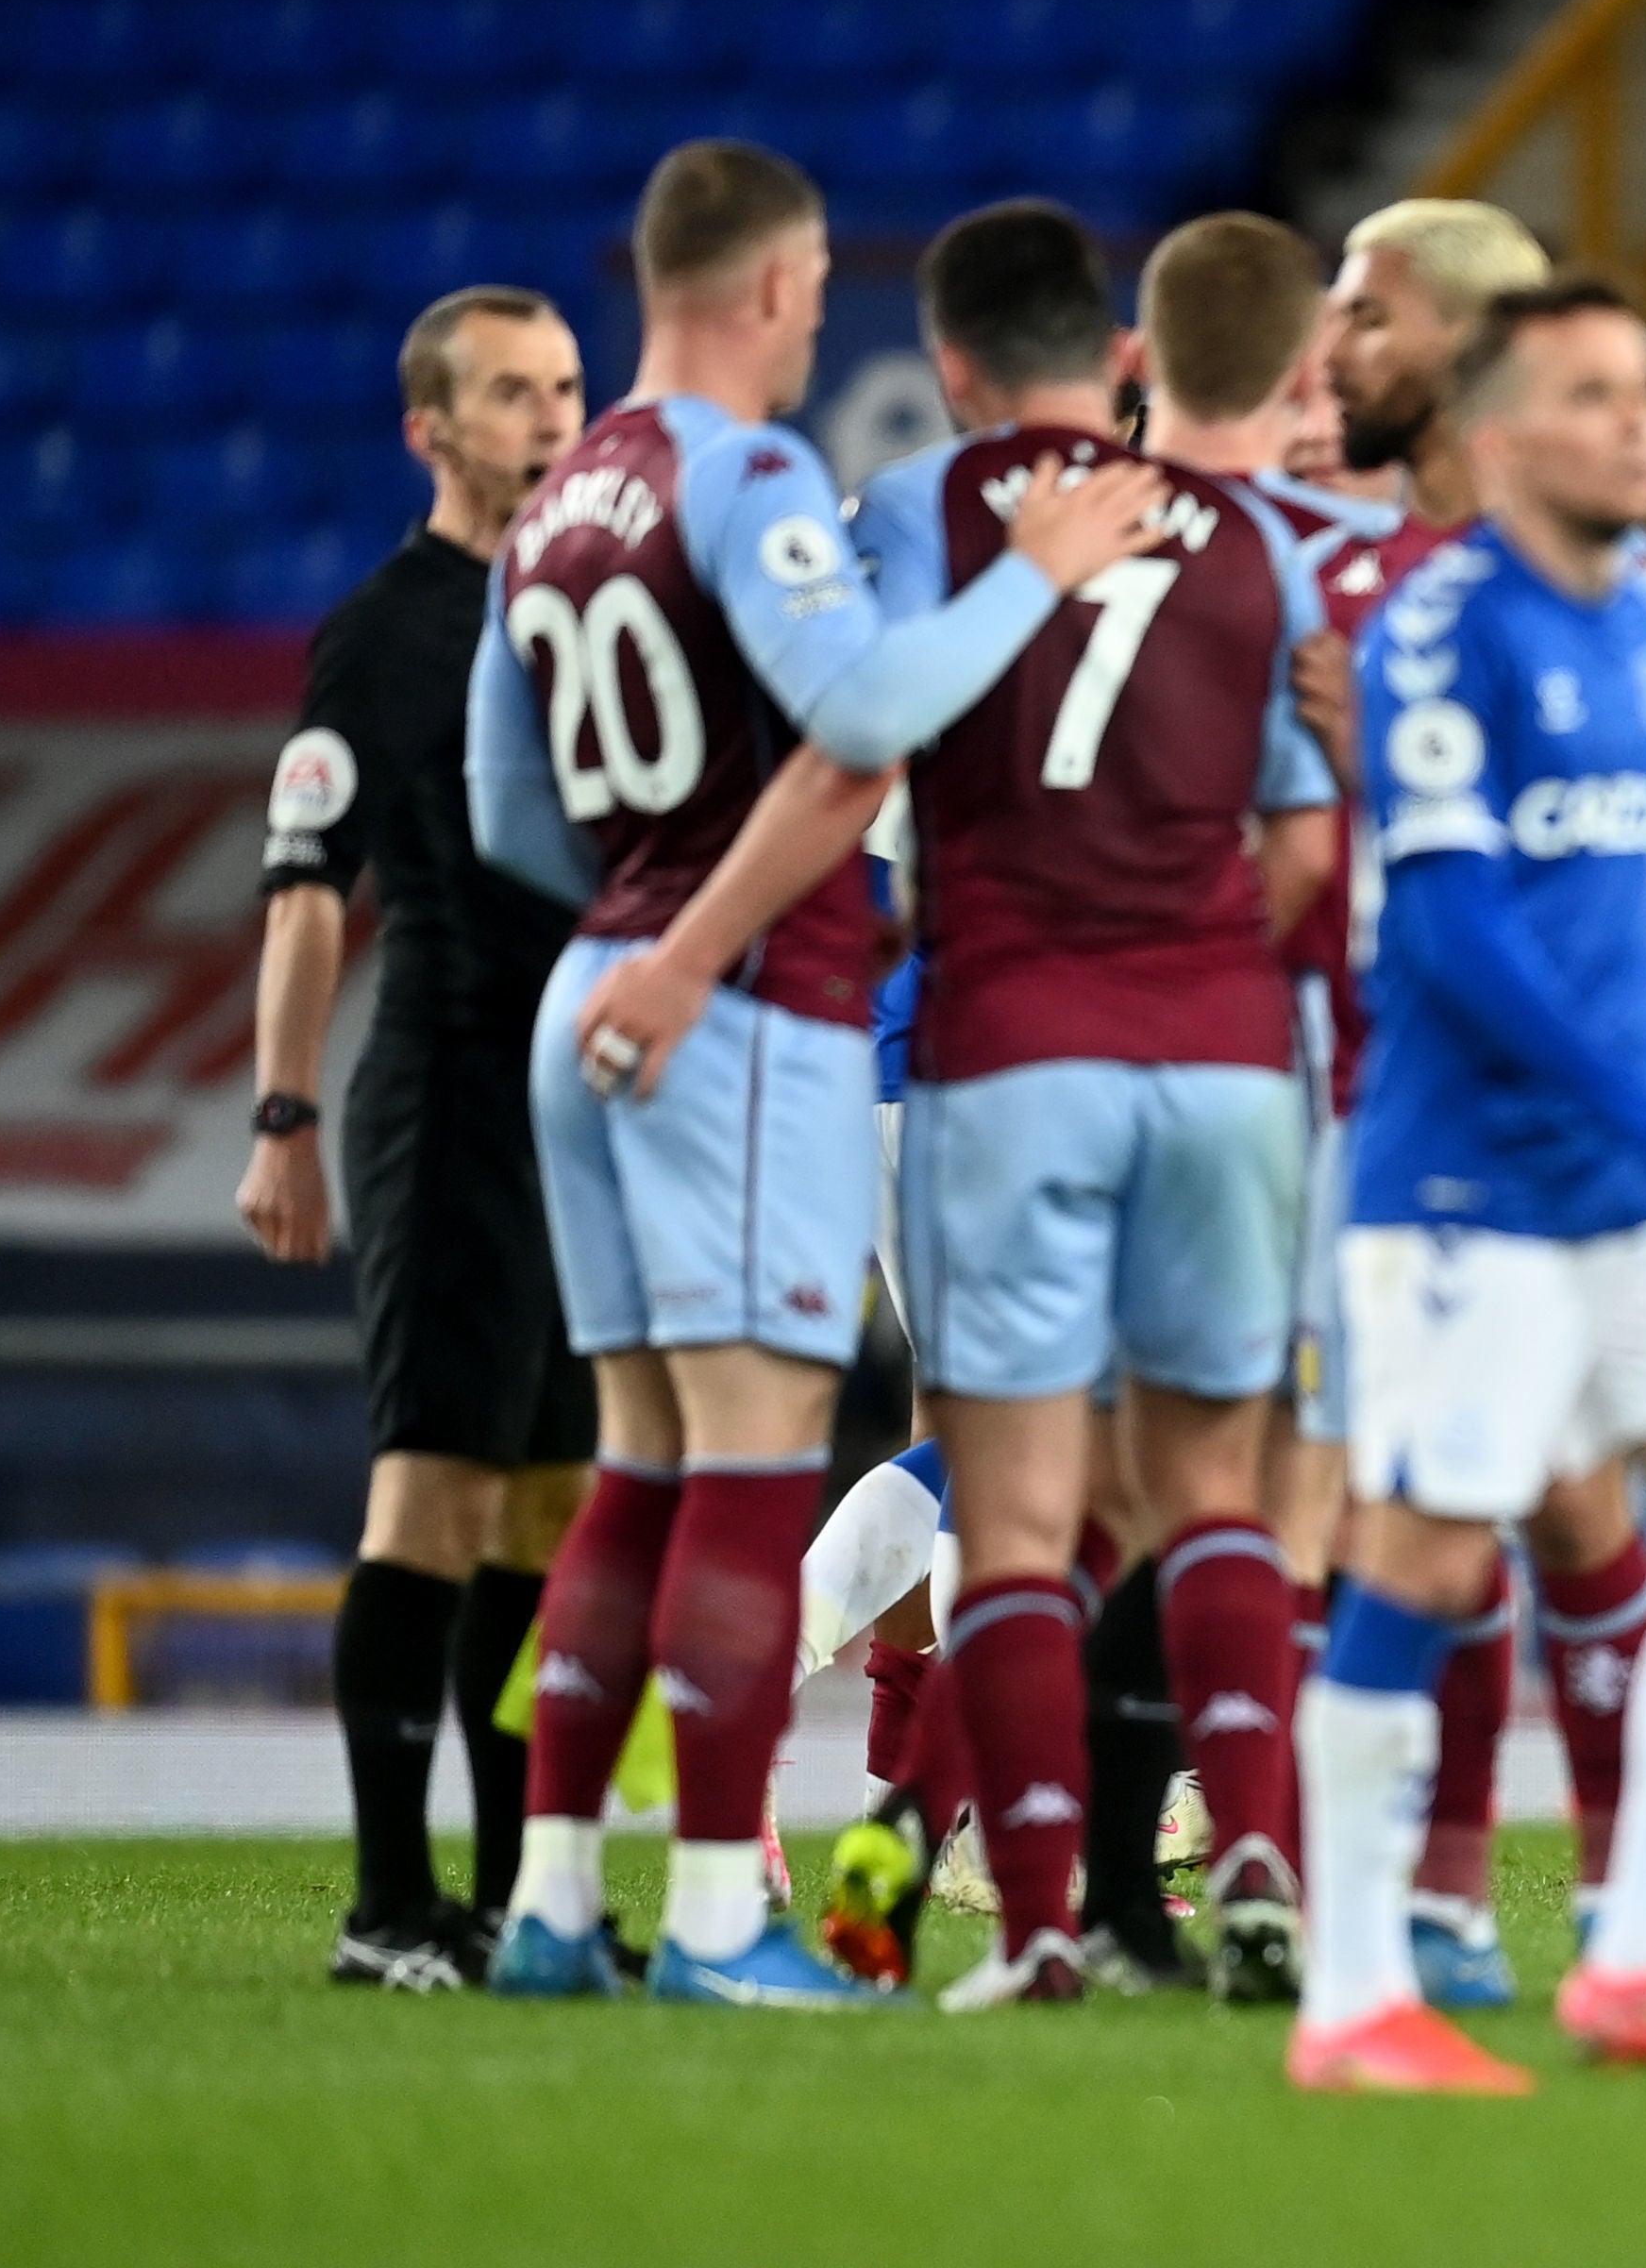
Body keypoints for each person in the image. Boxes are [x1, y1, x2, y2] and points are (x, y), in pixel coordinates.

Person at [462, 139, 1163, 2009]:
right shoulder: (743, 470)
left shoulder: (560, 498)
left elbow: (503, 807)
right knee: (754, 1469)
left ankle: (548, 1902)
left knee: (632, 1464)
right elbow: (859, 719)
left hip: (594, 978)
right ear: (774, 287)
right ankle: (709, 1914)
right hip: (743, 1010)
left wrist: (640, 910)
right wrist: (1027, 578)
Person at [1292, 280, 1646, 2097]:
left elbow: (1601, 919)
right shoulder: (1437, 632)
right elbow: (1450, 938)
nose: (1643, 424)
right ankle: (1353, 1997)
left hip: (1622, 1177)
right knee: (1430, 1563)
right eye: (1596, 396)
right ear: (1504, 434)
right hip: (1466, 1186)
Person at [843, 197, 1340, 2010]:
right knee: (1219, 1489)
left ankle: (1037, 1926)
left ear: (952, 369)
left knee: (1021, 1507)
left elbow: (848, 746)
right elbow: (1302, 843)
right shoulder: (1249, 540)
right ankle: (1263, 1862)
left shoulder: (908, 513)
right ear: (1119, 358)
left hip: (1005, 1056)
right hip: (1220, 1065)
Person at [1305, 199, 1646, 2010]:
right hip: (1360, 1102)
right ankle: (1433, 1909)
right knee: (1442, 1512)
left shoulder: (1586, 584)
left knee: (1562, 1505)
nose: (1332, 349)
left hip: (1513, 1125)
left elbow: (1582, 882)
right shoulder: (1376, 582)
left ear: (1460, 348)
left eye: (1365, 314)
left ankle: (1592, 1903)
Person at [240, 283, 592, 1991]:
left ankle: (526, 1901)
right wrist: (283, 1113)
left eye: (566, 387)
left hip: (584, 1114)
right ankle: (390, 1905)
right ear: (429, 429)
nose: (548, 417)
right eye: (512, 392)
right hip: (448, 1088)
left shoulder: (589, 606)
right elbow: (308, 894)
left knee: (548, 1509)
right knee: (435, 1495)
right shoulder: (384, 633)